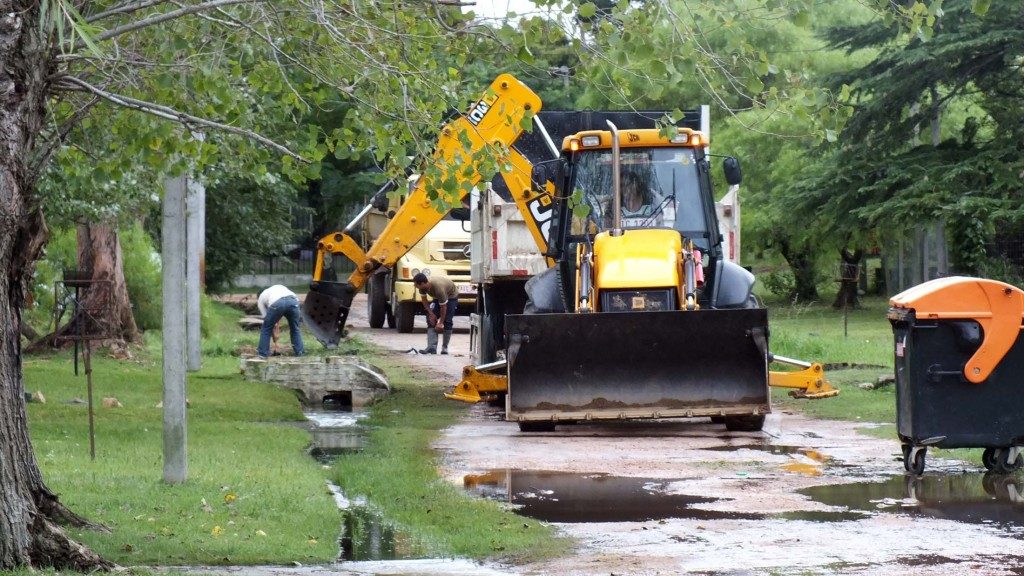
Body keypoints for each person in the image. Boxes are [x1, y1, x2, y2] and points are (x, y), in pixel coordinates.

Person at [413, 272, 458, 354]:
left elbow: (443, 307)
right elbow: (424, 301)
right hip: (437, 297)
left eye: (416, 285)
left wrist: (440, 323)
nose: (415, 286)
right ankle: (432, 347)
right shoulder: (421, 287)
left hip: (451, 296)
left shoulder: (438, 288)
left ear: (422, 283)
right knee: (430, 319)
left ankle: (445, 348)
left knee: (447, 321)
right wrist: (431, 314)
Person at [257, 284, 305, 359]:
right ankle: (300, 352)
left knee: (266, 329)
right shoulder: (278, 287)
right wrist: (275, 334)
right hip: (293, 301)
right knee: (295, 329)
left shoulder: (260, 298)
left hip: (277, 304)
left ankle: (263, 354)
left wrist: (274, 336)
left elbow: (268, 323)